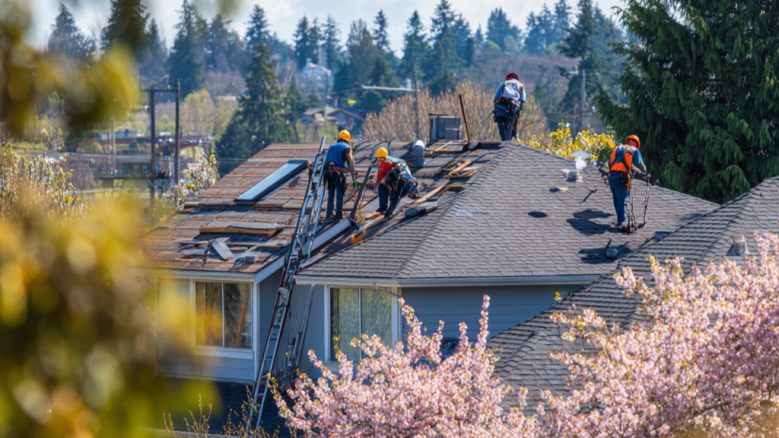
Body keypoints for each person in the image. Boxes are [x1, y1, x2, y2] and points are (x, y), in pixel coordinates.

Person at [609, 135, 646, 230]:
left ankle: (620, 219)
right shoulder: (634, 150)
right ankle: (622, 222)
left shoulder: (617, 148)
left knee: (616, 199)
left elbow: (611, 162)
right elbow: (640, 165)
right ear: (635, 143)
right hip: (622, 177)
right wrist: (645, 173)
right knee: (623, 200)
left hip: (612, 177)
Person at [374, 147, 417, 219]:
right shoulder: (381, 164)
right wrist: (377, 184)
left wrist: (389, 212)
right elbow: (380, 175)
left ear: (385, 157)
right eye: (379, 159)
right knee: (382, 186)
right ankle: (383, 207)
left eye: (381, 158)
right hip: (392, 179)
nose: (380, 160)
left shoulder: (395, 164)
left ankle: (390, 212)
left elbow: (404, 171)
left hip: (402, 181)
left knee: (395, 195)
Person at [323, 130, 357, 221]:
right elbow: (350, 163)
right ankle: (339, 215)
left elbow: (325, 162)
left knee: (331, 193)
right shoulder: (347, 147)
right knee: (340, 193)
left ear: (339, 138)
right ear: (347, 140)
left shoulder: (331, 146)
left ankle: (329, 215)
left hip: (328, 173)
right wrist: (354, 180)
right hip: (338, 174)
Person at [493, 72, 527, 141]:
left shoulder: (504, 83)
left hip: (503, 107)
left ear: (508, 78)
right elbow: (523, 99)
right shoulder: (520, 85)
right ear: (517, 79)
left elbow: (496, 97)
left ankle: (504, 139)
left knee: (499, 118)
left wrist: (496, 106)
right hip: (514, 108)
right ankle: (512, 138)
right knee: (513, 123)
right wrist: (519, 110)